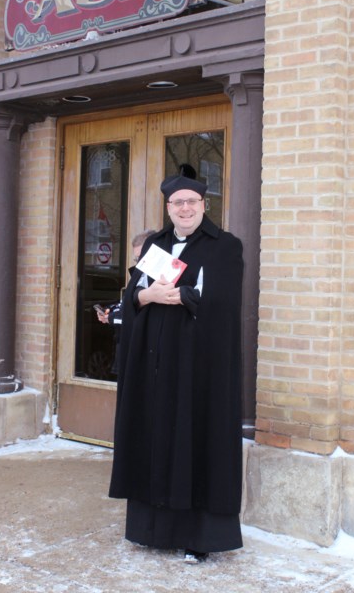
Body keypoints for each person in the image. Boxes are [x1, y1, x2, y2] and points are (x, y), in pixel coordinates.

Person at [108, 166, 244, 565]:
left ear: (204, 205)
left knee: (196, 440)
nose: (185, 209)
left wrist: (181, 296)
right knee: (156, 438)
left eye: (192, 202)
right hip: (156, 369)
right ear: (168, 208)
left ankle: (199, 538)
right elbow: (134, 296)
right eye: (177, 203)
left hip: (200, 371)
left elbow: (221, 302)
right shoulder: (159, 246)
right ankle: (152, 530)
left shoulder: (224, 245)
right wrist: (149, 297)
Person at [95, 229, 156, 376]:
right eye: (136, 259)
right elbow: (128, 303)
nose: (139, 263)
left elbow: (138, 311)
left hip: (148, 351)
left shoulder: (161, 277)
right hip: (129, 346)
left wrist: (111, 317)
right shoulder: (140, 275)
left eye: (142, 257)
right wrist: (110, 311)